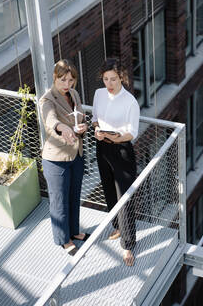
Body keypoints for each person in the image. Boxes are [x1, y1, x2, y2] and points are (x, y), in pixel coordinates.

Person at [92, 58, 140, 266]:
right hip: (102, 146)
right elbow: (94, 117)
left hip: (121, 150)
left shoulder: (130, 101)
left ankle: (128, 245)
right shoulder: (99, 94)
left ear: (121, 77)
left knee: (124, 195)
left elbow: (133, 132)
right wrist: (96, 130)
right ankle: (117, 226)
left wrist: (115, 138)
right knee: (108, 188)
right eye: (105, 79)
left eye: (113, 79)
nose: (109, 83)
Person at [39, 59, 89, 256]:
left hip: (76, 153)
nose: (67, 84)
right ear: (54, 78)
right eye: (63, 80)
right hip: (56, 159)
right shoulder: (47, 100)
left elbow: (81, 116)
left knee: (74, 195)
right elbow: (51, 121)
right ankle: (63, 239)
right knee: (59, 200)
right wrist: (64, 128)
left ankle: (74, 232)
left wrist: (82, 127)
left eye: (70, 80)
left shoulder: (74, 94)